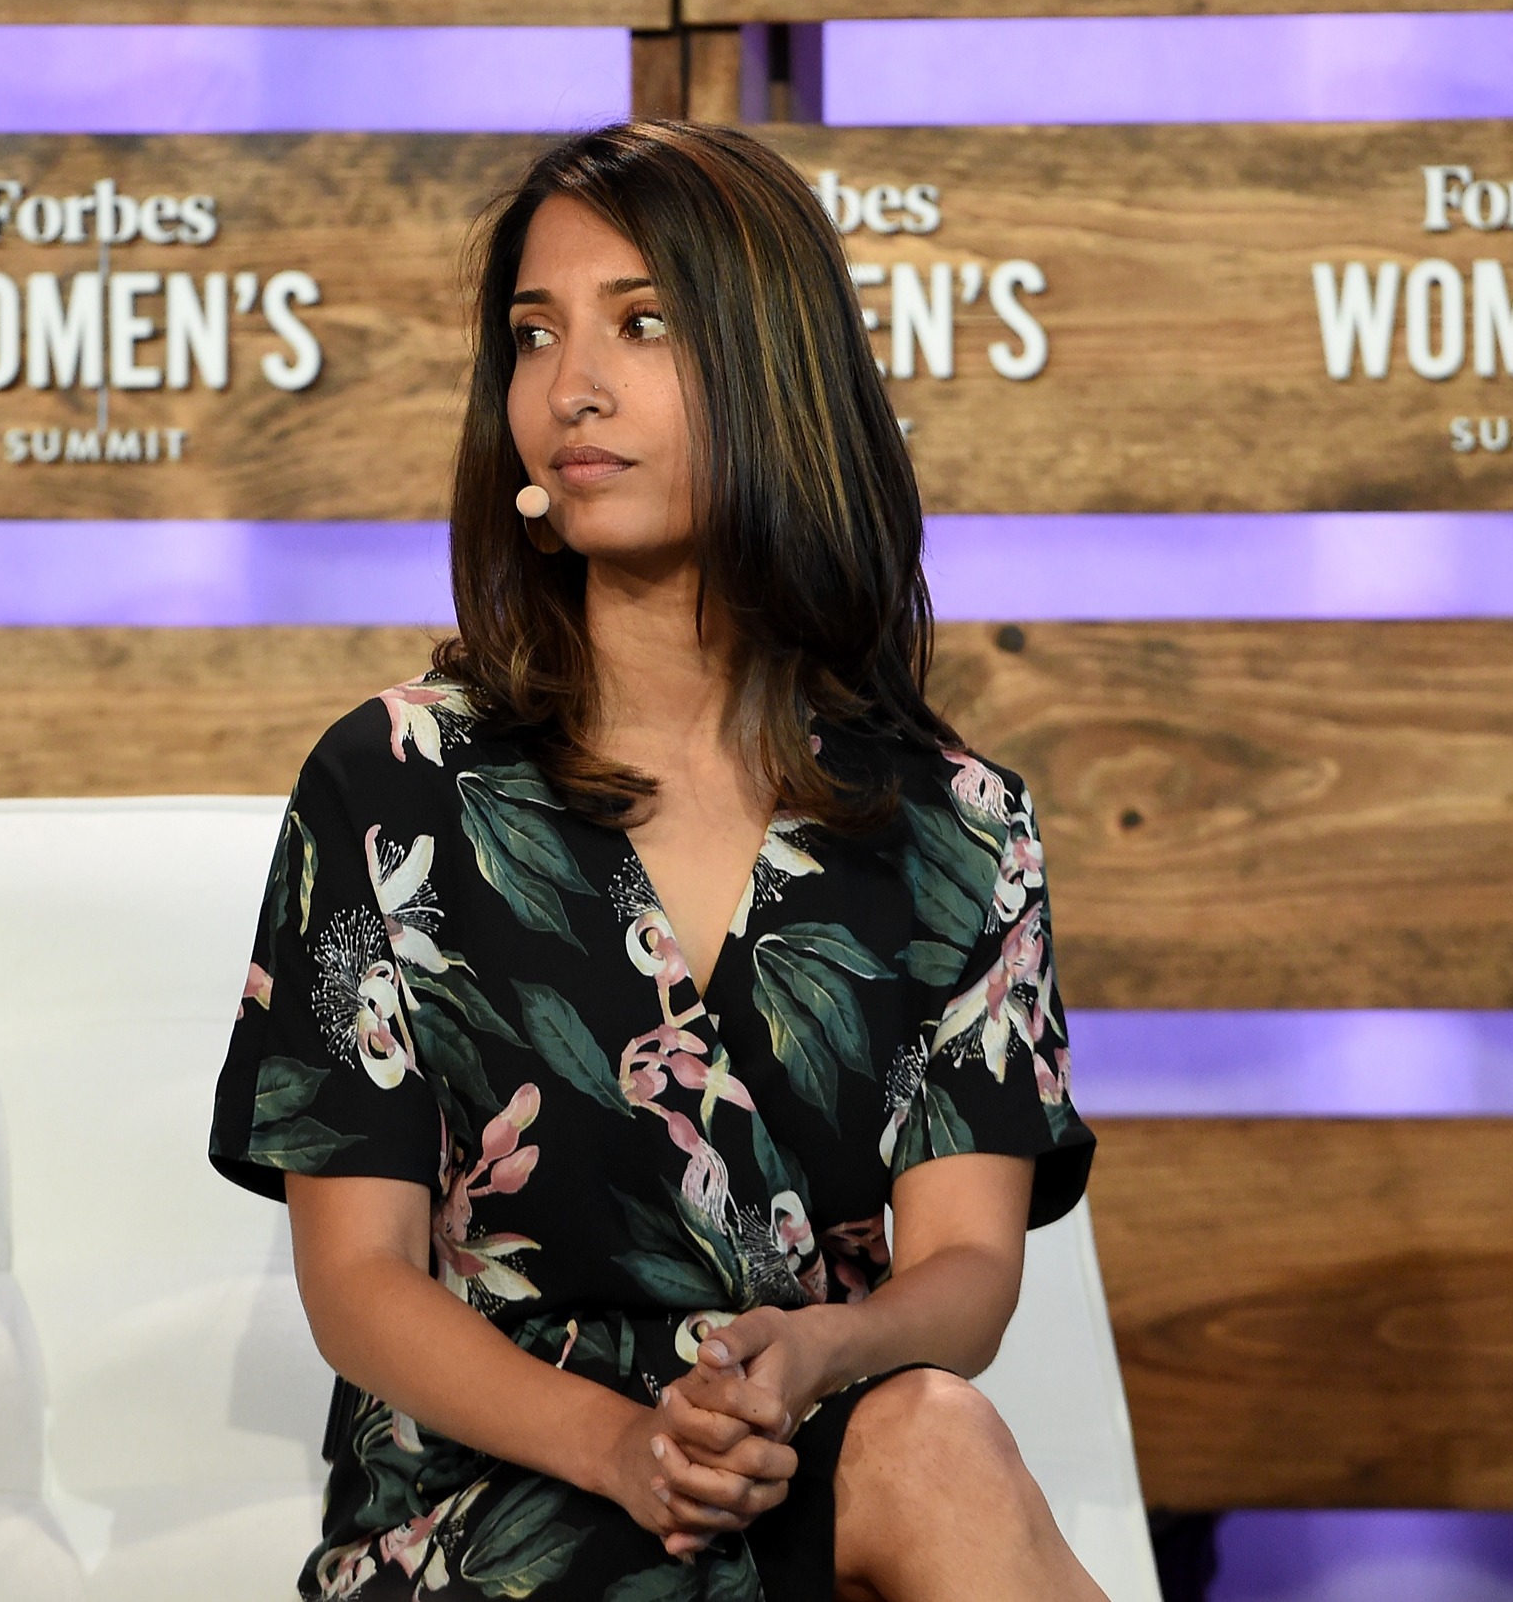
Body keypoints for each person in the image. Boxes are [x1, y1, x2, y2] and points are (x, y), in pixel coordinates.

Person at [208, 120, 1104, 1602]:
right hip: (497, 1503)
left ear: (774, 373)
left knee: (933, 1435)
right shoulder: (396, 785)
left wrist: (825, 1348)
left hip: (809, 1459)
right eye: (534, 336)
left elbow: (969, 1270)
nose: (574, 388)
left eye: (641, 325)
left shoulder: (955, 826)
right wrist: (626, 1448)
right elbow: (358, 1283)